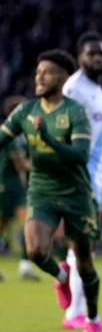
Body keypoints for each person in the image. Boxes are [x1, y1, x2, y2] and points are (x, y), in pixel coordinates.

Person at [0, 49, 102, 332]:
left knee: (85, 264)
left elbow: (80, 155)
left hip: (76, 195)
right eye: (37, 72)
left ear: (62, 78)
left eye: (46, 72)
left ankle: (93, 319)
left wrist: (47, 138)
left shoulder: (75, 112)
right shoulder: (24, 111)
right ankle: (60, 278)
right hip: (42, 192)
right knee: (34, 250)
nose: (39, 77)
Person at [58, 31, 102, 330]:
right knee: (85, 245)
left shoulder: (96, 90)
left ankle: (74, 309)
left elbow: (99, 141)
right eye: (92, 54)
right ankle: (74, 312)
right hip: (77, 177)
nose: (98, 59)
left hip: (94, 178)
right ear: (80, 57)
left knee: (84, 247)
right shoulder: (73, 89)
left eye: (101, 54)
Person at [0, 96, 39, 280]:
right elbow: (20, 164)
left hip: (11, 186)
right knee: (25, 225)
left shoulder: (18, 133)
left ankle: (24, 265)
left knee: (19, 226)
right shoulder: (12, 133)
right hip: (9, 186)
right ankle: (24, 264)